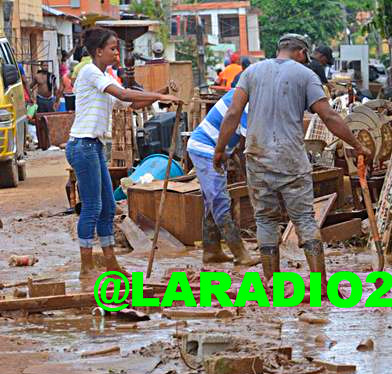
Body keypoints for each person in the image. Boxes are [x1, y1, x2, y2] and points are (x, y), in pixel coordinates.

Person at [212, 33, 370, 291]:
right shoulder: (306, 76)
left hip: (258, 157)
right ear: (300, 52)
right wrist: (358, 144)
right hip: (291, 160)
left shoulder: (251, 73)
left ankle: (272, 284)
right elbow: (328, 116)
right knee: (305, 220)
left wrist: (220, 150)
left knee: (265, 220)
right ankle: (319, 285)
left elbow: (233, 112)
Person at [67, 27, 180, 279]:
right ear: (98, 51)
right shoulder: (90, 72)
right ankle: (86, 265)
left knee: (108, 207)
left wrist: (160, 92)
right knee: (92, 207)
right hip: (82, 146)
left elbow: (131, 102)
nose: (117, 53)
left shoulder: (105, 76)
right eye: (112, 49)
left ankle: (110, 263)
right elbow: (124, 94)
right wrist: (160, 94)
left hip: (93, 147)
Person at [187, 89, 258, 266]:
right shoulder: (245, 101)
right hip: (205, 149)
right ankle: (240, 253)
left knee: (212, 201)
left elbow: (242, 144)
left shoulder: (244, 96)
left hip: (214, 151)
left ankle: (212, 251)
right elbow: (250, 143)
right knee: (219, 201)